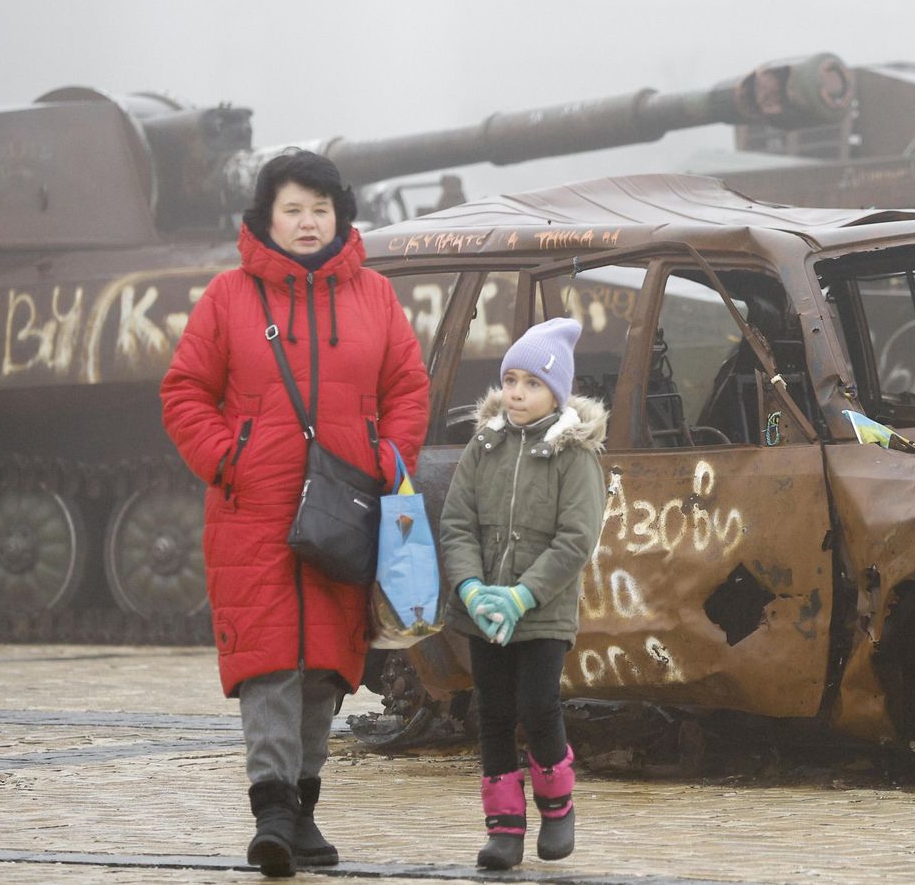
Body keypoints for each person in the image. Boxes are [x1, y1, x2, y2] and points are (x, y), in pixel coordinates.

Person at [161, 150, 429, 878]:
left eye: (320, 209)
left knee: (327, 670)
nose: (308, 222)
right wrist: (229, 460)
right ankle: (273, 811)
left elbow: (408, 387)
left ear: (339, 215)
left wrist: (386, 457)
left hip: (346, 506)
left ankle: (302, 809)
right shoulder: (228, 296)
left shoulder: (375, 297)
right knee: (270, 663)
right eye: (293, 209)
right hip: (254, 511)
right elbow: (185, 391)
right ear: (266, 218)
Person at [437, 316, 607, 870]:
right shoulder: (484, 445)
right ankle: (504, 828)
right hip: (484, 611)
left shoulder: (574, 455)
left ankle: (557, 806)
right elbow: (457, 524)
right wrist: (471, 588)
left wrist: (522, 596)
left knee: (537, 706)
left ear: (556, 392)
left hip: (542, 611)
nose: (516, 392)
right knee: (492, 712)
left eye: (532, 383)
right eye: (510, 379)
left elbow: (576, 538)